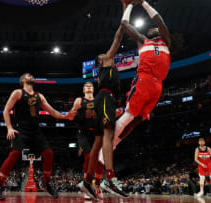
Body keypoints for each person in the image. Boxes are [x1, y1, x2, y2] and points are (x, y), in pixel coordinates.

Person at [0, 73, 74, 200]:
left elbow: (52, 111)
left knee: (49, 153)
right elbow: (5, 110)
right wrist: (9, 128)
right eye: (28, 75)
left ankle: (46, 183)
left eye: (31, 75)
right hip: (21, 130)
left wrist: (65, 116)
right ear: (23, 80)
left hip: (35, 131)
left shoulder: (39, 96)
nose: (31, 76)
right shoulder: (18, 93)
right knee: (14, 154)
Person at [76, 3, 128, 199]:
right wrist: (125, 9)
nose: (109, 54)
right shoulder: (107, 60)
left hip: (103, 99)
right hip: (106, 98)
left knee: (98, 141)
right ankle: (110, 178)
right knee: (108, 134)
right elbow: (119, 34)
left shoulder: (106, 69)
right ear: (102, 61)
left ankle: (87, 181)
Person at [113, 0, 171, 150]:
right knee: (129, 116)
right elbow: (125, 24)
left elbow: (160, 22)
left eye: (155, 28)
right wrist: (131, 5)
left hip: (158, 85)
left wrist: (144, 3)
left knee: (136, 120)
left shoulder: (166, 42)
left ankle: (114, 145)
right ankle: (108, 146)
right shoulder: (142, 40)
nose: (152, 29)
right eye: (151, 29)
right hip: (144, 79)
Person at [67, 82, 105, 199]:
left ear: (93, 89)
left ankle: (97, 186)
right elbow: (71, 117)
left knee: (99, 160)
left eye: (91, 86)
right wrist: (73, 111)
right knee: (88, 157)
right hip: (83, 133)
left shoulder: (99, 100)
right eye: (86, 86)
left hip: (97, 133)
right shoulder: (79, 100)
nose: (89, 86)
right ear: (83, 90)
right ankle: (87, 186)